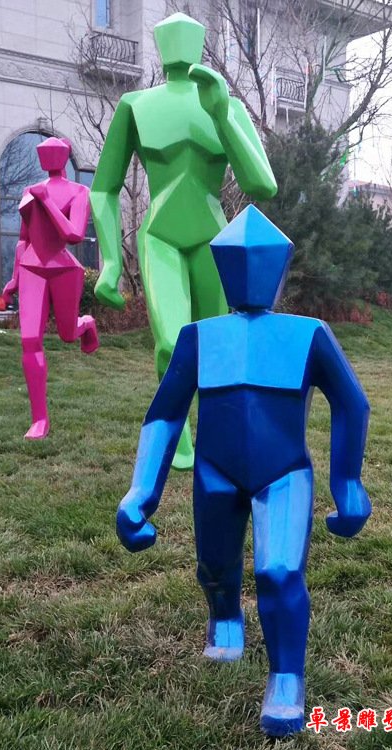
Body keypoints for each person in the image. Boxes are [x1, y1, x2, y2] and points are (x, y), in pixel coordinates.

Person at [115, 206, 371, 736]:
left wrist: (347, 482)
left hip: (285, 474)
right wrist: (142, 488)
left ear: (279, 268)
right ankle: (225, 614)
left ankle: (286, 677)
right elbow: (165, 414)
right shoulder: (200, 337)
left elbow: (351, 402)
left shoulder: (308, 335)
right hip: (216, 471)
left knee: (280, 571)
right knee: (214, 565)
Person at [90, 12, 277, 469]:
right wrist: (110, 260)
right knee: (172, 344)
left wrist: (221, 116)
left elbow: (262, 184)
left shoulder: (226, 104)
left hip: (213, 238)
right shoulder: (136, 105)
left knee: (219, 345)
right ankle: (180, 436)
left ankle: (216, 432)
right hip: (162, 236)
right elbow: (103, 188)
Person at [2, 137, 99, 439]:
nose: (48, 159)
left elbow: (74, 234)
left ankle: (87, 324)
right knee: (30, 340)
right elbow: (23, 239)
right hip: (32, 268)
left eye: (53, 154)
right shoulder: (29, 191)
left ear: (64, 156)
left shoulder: (79, 192)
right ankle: (39, 419)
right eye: (43, 154)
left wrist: (46, 201)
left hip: (64, 268)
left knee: (68, 334)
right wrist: (15, 277)